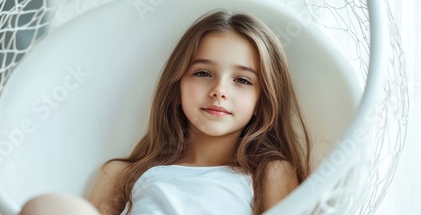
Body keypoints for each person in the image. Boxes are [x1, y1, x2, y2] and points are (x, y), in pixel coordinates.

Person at [20, 9, 311, 215]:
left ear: (263, 100)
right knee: (46, 207)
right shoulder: (123, 173)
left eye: (242, 80)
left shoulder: (267, 173)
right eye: (202, 73)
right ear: (177, 86)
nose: (219, 90)